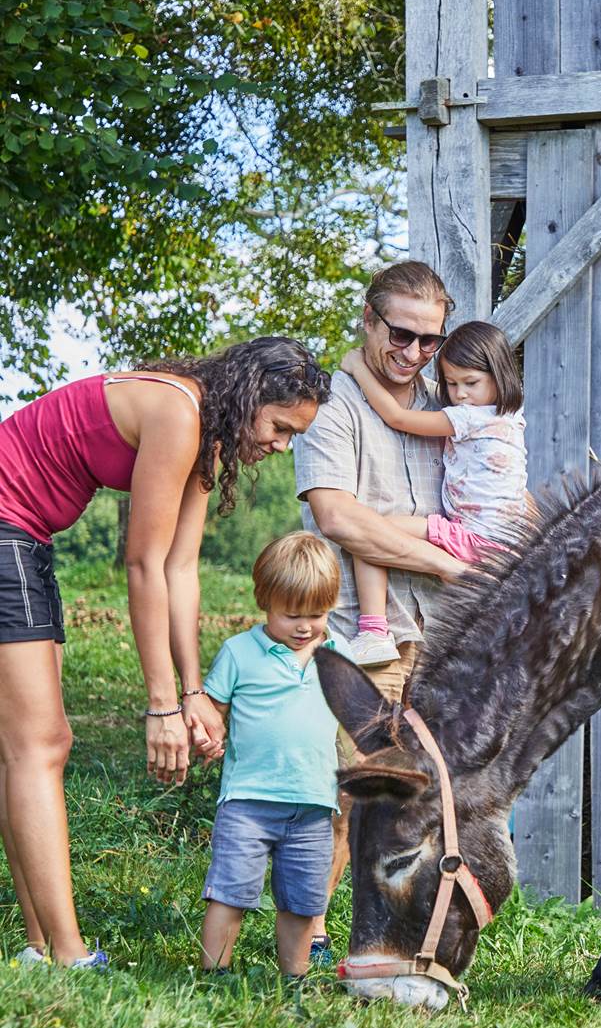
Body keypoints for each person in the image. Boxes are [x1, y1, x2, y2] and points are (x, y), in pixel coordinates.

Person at [0, 338, 331, 967]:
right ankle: (67, 954)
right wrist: (160, 708)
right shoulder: (179, 414)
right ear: (250, 398)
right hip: (6, 527)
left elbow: (181, 569)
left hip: (25, 537)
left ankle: (40, 946)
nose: (283, 445)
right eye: (281, 427)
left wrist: (193, 692)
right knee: (39, 745)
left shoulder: (205, 436)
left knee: (23, 747)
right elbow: (144, 564)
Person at [293, 261, 467, 962]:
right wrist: (445, 561)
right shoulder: (332, 404)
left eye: (430, 340)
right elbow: (339, 518)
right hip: (365, 639)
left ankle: (411, 934)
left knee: (437, 799)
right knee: (346, 800)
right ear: (368, 319)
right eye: (401, 334)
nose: (415, 352)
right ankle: (307, 939)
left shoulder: (449, 401)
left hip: (446, 634)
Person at [338, 320, 527, 666]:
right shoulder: (512, 419)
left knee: (371, 532)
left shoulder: (470, 418)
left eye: (470, 383)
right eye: (451, 384)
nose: (460, 394)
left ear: (499, 376)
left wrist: (357, 368)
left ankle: (374, 631)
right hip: (504, 546)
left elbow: (397, 417)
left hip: (473, 538)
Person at [198, 532, 343, 977]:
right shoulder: (239, 653)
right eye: (291, 615)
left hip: (314, 804)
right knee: (231, 893)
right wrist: (207, 736)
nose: (304, 627)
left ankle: (293, 978)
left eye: (316, 615)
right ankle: (215, 974)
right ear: (265, 602)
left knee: (302, 903)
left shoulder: (338, 654)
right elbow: (212, 711)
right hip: (249, 801)